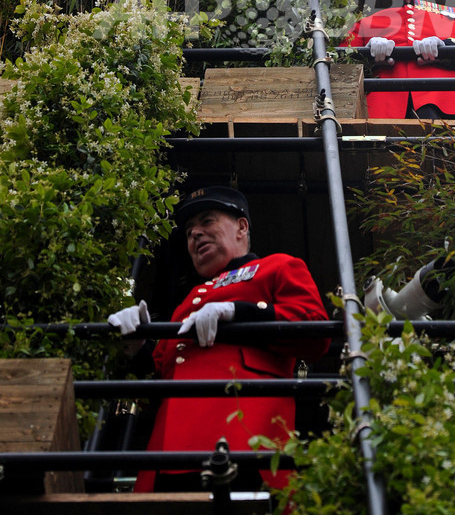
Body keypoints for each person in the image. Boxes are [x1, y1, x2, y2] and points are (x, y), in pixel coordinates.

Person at [108, 186, 329, 493]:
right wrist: (137, 346)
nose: (195, 234)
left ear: (242, 227)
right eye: (189, 231)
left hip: (242, 438)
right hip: (170, 451)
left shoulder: (277, 266)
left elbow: (315, 331)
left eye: (207, 221)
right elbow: (158, 380)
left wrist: (239, 312)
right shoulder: (186, 305)